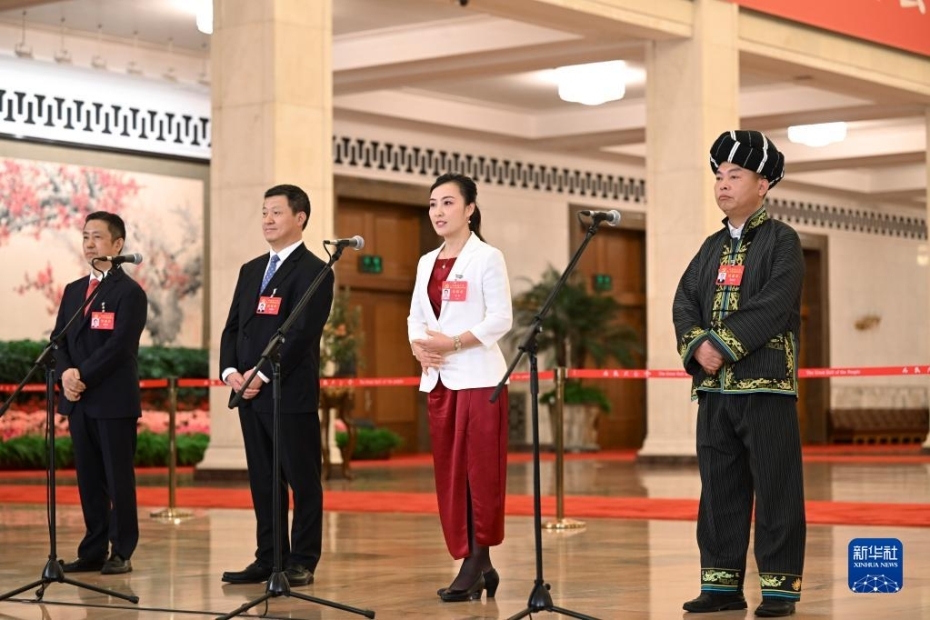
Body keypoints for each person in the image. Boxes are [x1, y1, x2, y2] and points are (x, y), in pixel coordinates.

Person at [673, 130, 806, 618]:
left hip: (767, 386)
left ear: (763, 184)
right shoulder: (710, 247)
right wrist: (696, 346)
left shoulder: (782, 241)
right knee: (719, 490)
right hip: (714, 391)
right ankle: (721, 586)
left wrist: (721, 345)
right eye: (719, 177)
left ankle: (779, 590)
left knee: (776, 488)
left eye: (735, 176)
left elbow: (775, 304)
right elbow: (684, 301)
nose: (723, 185)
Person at [219, 184, 334, 587]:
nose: (267, 220)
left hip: (289, 393)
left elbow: (301, 334)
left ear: (300, 218)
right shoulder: (251, 269)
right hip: (249, 393)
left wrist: (262, 373)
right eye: (264, 212)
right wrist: (230, 371)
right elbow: (234, 326)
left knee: (302, 480)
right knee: (264, 479)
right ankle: (269, 557)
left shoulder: (315, 270)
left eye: (276, 212)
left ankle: (302, 560)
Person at [407, 173, 512, 602]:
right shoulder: (425, 262)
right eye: (433, 203)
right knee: (451, 476)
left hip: (479, 381)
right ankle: (480, 565)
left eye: (448, 202)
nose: (438, 211)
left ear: (470, 209)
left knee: (480, 475)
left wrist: (451, 343)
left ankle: (476, 560)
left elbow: (500, 319)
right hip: (439, 381)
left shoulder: (487, 257)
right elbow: (415, 316)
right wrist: (419, 349)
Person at [54, 211, 148, 575]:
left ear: (117, 244)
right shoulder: (73, 291)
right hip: (78, 401)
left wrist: (82, 375)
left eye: (97, 237)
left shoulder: (129, 293)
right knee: (89, 479)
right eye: (85, 236)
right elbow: (59, 340)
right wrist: (66, 374)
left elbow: (120, 346)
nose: (89, 243)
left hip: (113, 401)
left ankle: (122, 550)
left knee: (117, 478)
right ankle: (92, 550)